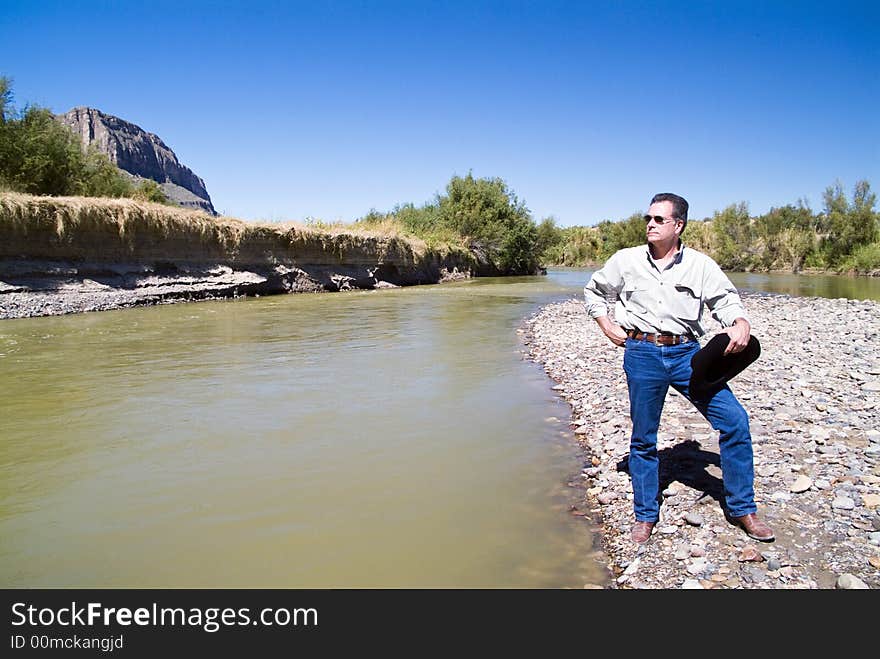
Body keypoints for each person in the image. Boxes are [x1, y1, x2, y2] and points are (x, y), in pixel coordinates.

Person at [583, 192, 774, 545]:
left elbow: (725, 300)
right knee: (643, 439)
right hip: (641, 352)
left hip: (688, 354)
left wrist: (740, 321)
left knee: (734, 421)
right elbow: (594, 291)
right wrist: (605, 323)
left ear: (679, 225)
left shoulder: (700, 265)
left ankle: (742, 508)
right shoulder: (626, 260)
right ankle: (645, 515)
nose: (650, 225)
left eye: (659, 220)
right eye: (648, 218)